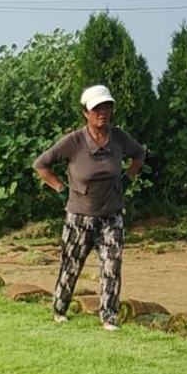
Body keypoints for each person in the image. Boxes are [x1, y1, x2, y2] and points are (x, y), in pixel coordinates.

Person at [35, 85, 145, 330]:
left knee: (112, 264)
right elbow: (41, 164)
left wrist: (127, 179)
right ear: (86, 112)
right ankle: (60, 308)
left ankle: (109, 317)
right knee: (71, 264)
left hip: (111, 215)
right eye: (97, 108)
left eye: (106, 107)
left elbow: (139, 154)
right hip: (80, 217)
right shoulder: (74, 141)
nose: (102, 112)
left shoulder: (118, 137)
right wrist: (61, 189)